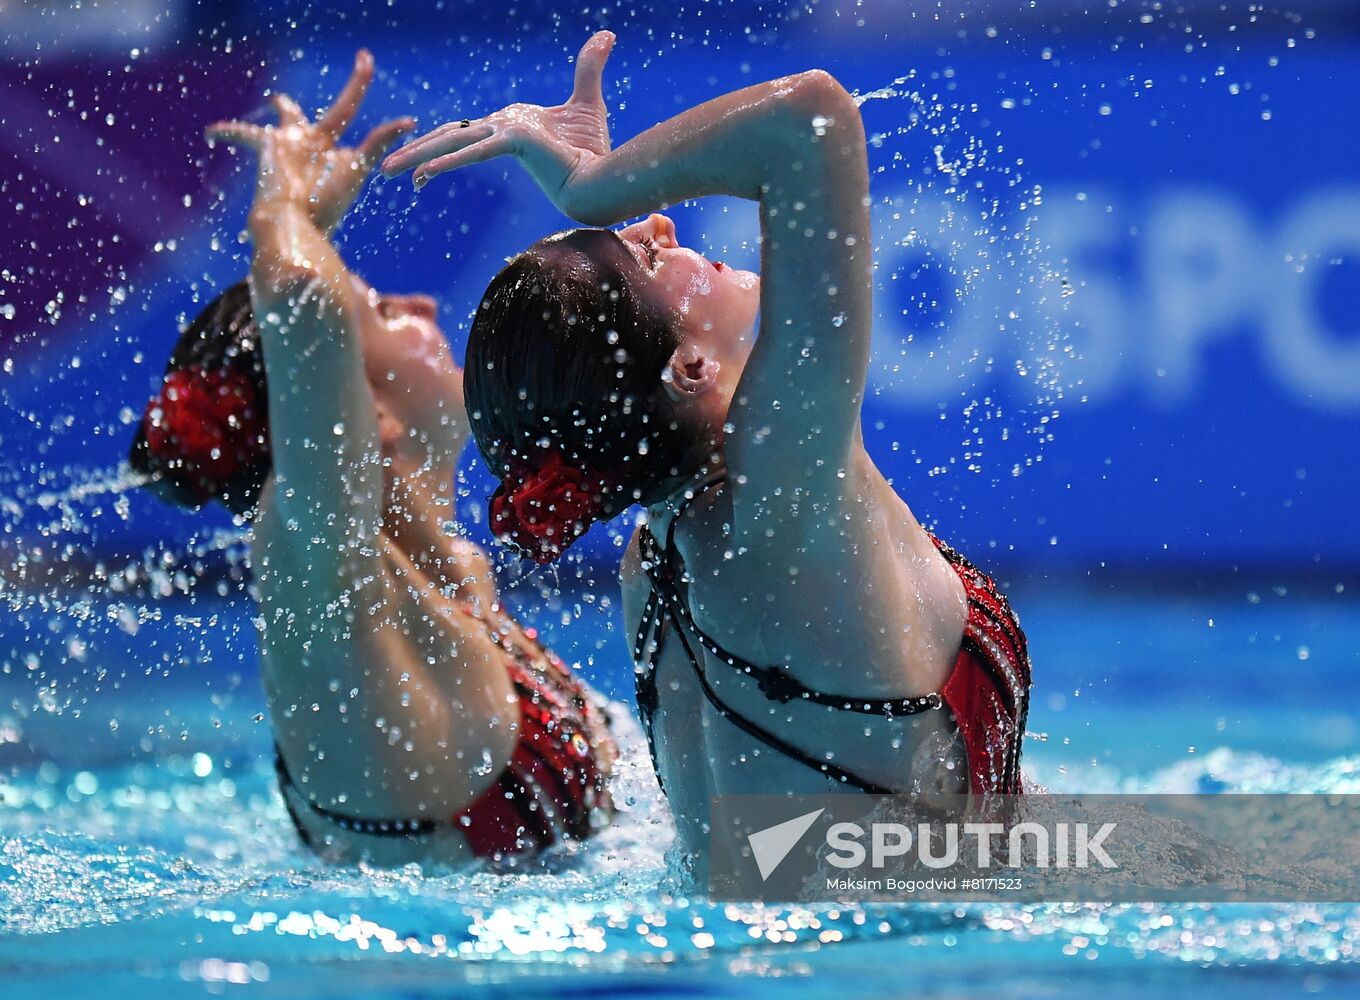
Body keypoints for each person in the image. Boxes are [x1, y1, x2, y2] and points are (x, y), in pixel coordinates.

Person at [383, 32, 1031, 861]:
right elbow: (812, 120)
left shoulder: (657, 561)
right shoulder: (784, 501)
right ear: (688, 366)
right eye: (648, 255)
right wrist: (590, 186)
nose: (658, 217)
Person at [129, 52, 616, 867]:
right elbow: (306, 303)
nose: (423, 303)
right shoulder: (321, 576)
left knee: (901, 856)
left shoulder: (446, 573)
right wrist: (284, 207)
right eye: (384, 311)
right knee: (902, 861)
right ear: (358, 415)